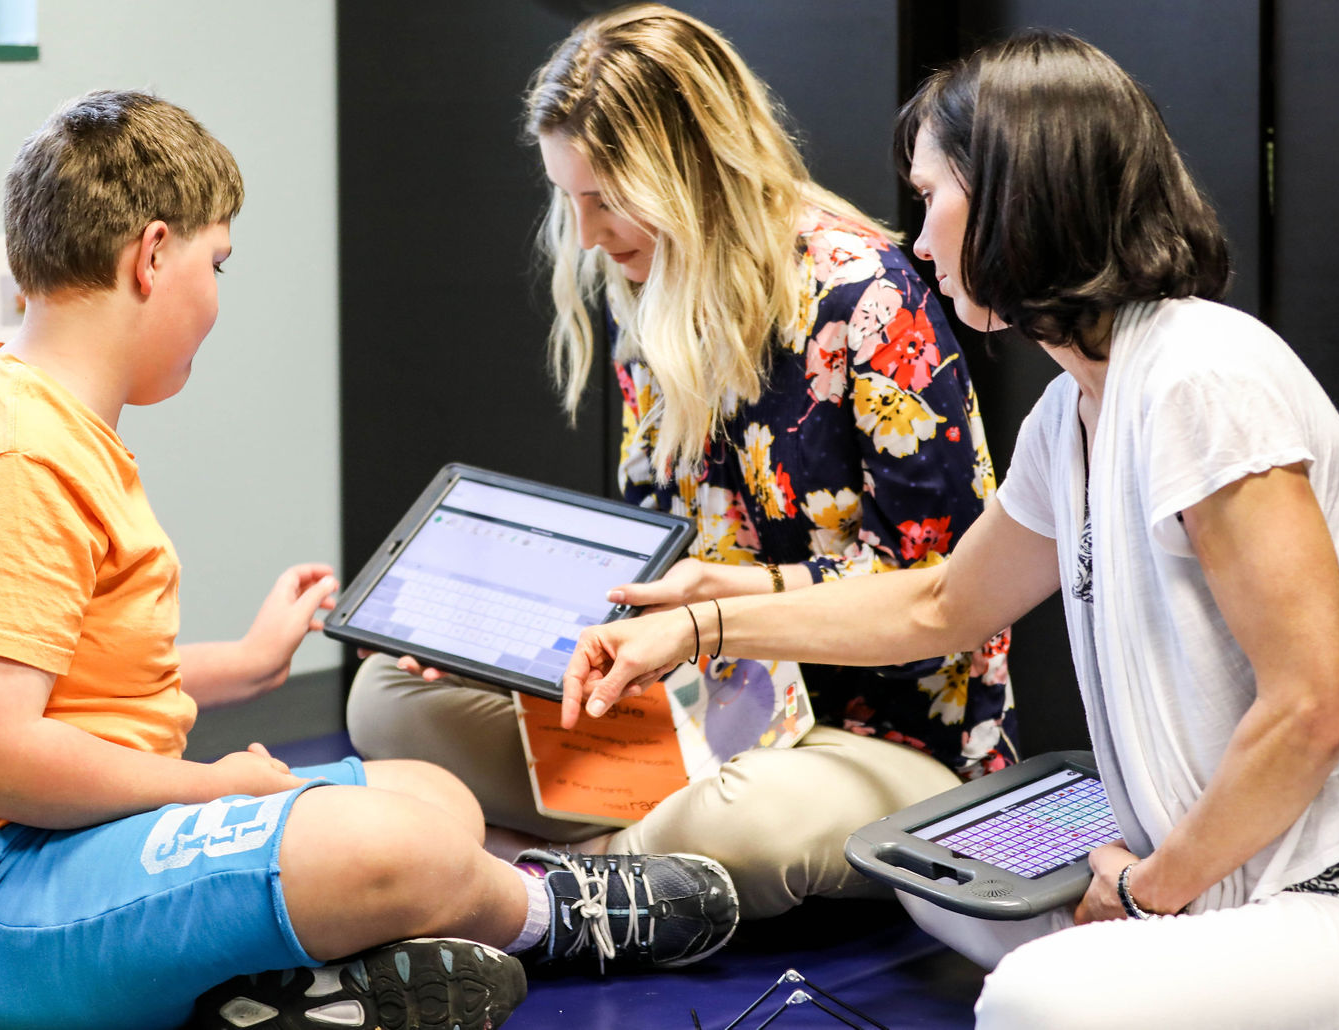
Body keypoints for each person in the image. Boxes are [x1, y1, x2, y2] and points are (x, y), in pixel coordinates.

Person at [560, 29, 1339, 1030]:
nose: (920, 243)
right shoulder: (1072, 412)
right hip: (1208, 876)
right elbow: (940, 600)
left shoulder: (1201, 377)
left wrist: (1144, 892)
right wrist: (705, 623)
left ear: (1019, 192)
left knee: (1030, 999)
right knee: (933, 869)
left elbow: (1315, 709)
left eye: (931, 198)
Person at [0, 89, 739, 1030]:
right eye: (215, 262)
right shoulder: (16, 460)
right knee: (400, 847)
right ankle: (551, 915)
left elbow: (45, 679)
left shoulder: (41, 420)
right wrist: (209, 784)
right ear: (151, 256)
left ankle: (287, 991)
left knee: (432, 796)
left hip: (50, 849)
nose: (217, 297)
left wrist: (244, 665)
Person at [346, 2, 1016, 921]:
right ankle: (617, 867)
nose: (585, 235)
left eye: (606, 199)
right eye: (567, 198)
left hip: (866, 736)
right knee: (388, 695)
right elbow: (657, 561)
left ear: (694, 171)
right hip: (692, 717)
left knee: (748, 828)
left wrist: (722, 622)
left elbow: (948, 598)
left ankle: (538, 876)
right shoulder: (647, 294)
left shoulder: (868, 298)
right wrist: (505, 637)